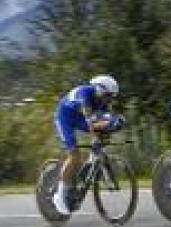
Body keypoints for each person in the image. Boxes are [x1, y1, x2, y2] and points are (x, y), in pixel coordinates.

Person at [51, 74, 125, 215]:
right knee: (74, 156)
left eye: (112, 97)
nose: (110, 100)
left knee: (103, 133)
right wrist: (110, 122)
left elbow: (105, 120)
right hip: (64, 117)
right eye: (108, 96)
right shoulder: (84, 94)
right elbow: (92, 124)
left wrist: (115, 123)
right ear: (99, 90)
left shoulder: (102, 99)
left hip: (78, 117)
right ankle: (60, 195)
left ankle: (91, 164)